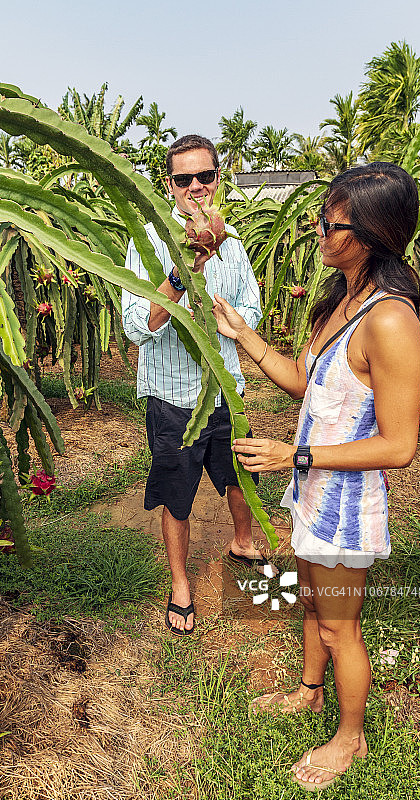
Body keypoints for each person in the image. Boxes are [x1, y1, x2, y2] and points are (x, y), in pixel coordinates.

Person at [212, 162, 420, 790]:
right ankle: (309, 692)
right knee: (311, 601)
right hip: (313, 490)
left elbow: (399, 444)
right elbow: (310, 387)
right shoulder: (344, 302)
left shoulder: (389, 321)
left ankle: (350, 738)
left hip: (345, 500)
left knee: (340, 623)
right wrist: (246, 336)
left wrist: (296, 456)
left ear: (370, 235)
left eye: (331, 223)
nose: (319, 231)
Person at [122, 134, 270, 635]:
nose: (196, 188)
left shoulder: (234, 245)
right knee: (176, 494)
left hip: (227, 389)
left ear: (217, 178)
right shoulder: (147, 240)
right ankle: (181, 585)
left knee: (239, 476)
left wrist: (229, 318)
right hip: (173, 399)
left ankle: (243, 542)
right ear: (171, 185)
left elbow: (251, 308)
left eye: (205, 176)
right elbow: (136, 323)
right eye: (184, 178)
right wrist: (184, 275)